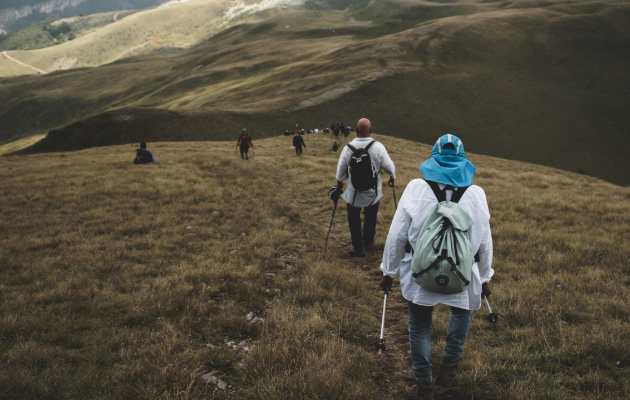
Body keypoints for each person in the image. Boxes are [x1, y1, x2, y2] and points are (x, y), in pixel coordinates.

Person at [378, 134, 493, 400]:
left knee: (419, 327)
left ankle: (423, 385)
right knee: (461, 316)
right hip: (464, 276)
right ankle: (447, 374)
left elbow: (397, 235)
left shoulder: (417, 188)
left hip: (421, 274)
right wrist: (485, 277)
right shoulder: (476, 194)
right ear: (463, 161)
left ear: (433, 157)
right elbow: (485, 241)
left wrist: (388, 271)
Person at [330, 118, 395, 257]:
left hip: (354, 194)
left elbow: (341, 174)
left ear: (356, 131)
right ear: (370, 130)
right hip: (373, 193)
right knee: (371, 217)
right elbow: (389, 167)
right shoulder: (378, 147)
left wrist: (339, 186)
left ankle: (359, 247)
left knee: (354, 219)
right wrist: (392, 177)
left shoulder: (348, 148)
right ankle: (368, 241)